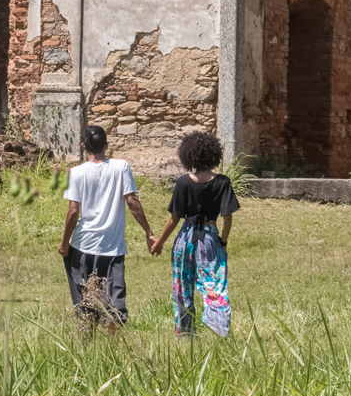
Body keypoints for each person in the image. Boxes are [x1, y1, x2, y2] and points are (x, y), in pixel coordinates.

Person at [58, 125, 156, 331]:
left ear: (84, 146)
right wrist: (149, 232)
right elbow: (132, 201)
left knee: (85, 303)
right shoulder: (121, 167)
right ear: (106, 145)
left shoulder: (76, 173)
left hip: (82, 246)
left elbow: (73, 211)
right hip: (112, 247)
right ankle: (111, 348)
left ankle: (88, 343)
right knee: (115, 305)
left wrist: (65, 242)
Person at [151, 132, 239, 338]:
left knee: (181, 286)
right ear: (214, 155)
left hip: (184, 238)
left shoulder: (183, 183)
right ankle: (219, 331)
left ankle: (184, 333)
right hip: (208, 238)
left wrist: (159, 243)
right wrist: (223, 241)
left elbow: (174, 218)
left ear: (188, 156)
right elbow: (227, 217)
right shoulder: (223, 182)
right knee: (214, 284)